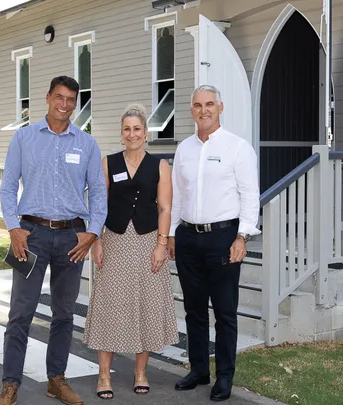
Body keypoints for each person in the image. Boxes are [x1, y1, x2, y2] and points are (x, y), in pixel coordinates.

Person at [0, 76, 108, 405]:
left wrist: (92, 231)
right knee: (21, 312)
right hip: (31, 236)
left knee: (64, 314)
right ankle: (9, 384)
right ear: (47, 98)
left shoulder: (86, 144)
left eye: (71, 99)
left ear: (76, 103)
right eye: (59, 97)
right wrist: (14, 227)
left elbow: (98, 193)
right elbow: (7, 187)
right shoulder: (24, 138)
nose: (65, 104)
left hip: (72, 238)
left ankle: (56, 379)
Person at [167, 85, 260, 402]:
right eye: (197, 105)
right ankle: (198, 370)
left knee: (224, 313)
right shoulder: (184, 149)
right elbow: (178, 196)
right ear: (191, 109)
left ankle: (224, 377)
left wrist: (242, 236)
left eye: (209, 104)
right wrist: (170, 234)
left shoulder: (238, 147)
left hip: (224, 237)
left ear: (220, 107)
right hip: (188, 238)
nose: (203, 110)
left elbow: (250, 195)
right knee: (193, 310)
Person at [82, 104, 179, 400]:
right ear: (121, 133)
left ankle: (140, 372)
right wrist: (96, 240)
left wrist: (162, 245)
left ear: (146, 133)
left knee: (147, 305)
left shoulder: (161, 166)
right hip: (115, 240)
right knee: (109, 304)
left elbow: (165, 207)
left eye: (137, 128)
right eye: (127, 129)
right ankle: (103, 376)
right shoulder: (107, 163)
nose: (132, 133)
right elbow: (99, 205)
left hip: (149, 242)